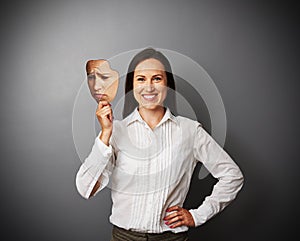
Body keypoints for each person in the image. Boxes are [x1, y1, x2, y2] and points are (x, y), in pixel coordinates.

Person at [76, 48, 244, 241]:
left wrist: (197, 216)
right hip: (124, 237)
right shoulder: (116, 132)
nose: (149, 87)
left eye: (157, 78)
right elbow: (85, 188)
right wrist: (105, 133)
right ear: (131, 86)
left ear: (167, 85)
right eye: (141, 79)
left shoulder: (190, 131)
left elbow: (232, 176)